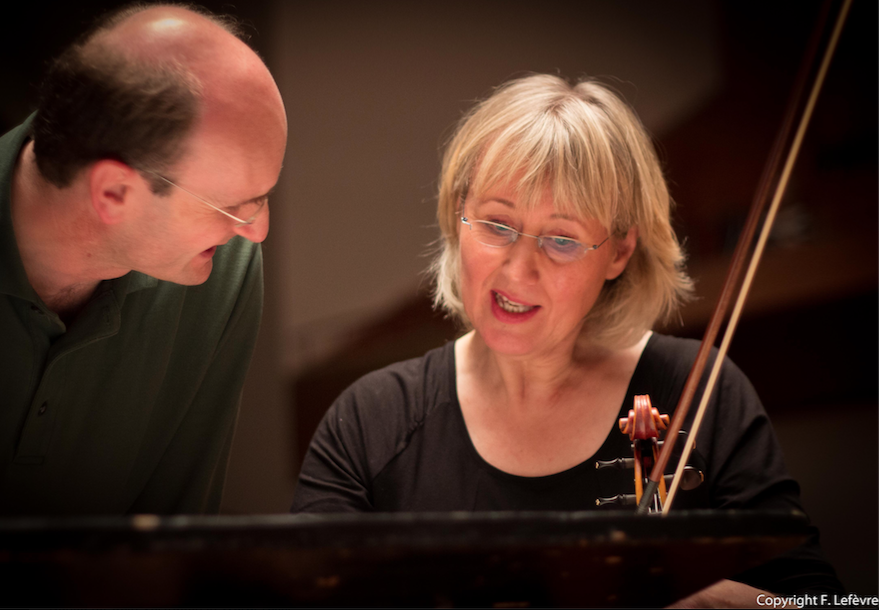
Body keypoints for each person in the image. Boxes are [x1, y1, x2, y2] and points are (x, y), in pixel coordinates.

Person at [291, 75, 841, 605]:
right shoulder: (371, 423)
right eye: (497, 225)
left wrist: (717, 604)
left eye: (561, 239)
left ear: (619, 252)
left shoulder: (699, 393)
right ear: (458, 218)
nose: (518, 270)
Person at [0, 4, 287, 515]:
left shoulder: (223, 267)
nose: (257, 232)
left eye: (263, 199)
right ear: (113, 192)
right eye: (234, 207)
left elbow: (174, 538)